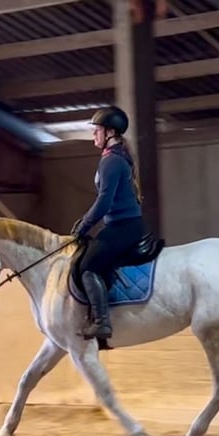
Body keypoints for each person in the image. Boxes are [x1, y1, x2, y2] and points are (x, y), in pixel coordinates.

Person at [71, 105, 146, 340]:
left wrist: (84, 225)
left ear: (110, 132)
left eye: (97, 130)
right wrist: (84, 221)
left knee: (87, 266)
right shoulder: (115, 157)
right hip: (121, 224)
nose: (94, 135)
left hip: (123, 227)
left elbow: (104, 202)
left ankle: (102, 322)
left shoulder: (111, 161)